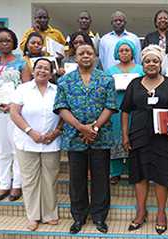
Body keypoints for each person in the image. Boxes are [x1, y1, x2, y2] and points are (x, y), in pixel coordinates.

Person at [121, 45, 168, 235]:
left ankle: (160, 213)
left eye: (155, 61)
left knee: (161, 175)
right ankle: (141, 212)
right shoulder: (134, 84)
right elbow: (125, 110)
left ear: (160, 63)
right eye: (148, 61)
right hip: (138, 136)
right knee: (139, 175)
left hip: (163, 138)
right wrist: (125, 135)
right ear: (143, 63)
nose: (151, 64)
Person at [53, 43, 117, 234]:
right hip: (75, 136)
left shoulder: (106, 78)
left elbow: (110, 105)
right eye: (82, 53)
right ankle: (78, 217)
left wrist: (94, 128)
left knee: (101, 178)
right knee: (77, 179)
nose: (86, 56)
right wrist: (81, 128)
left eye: (89, 53)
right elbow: (61, 107)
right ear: (75, 57)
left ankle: (99, 217)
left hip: (101, 136)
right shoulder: (65, 80)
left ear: (95, 56)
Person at [10, 58, 62, 231]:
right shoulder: (23, 89)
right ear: (33, 70)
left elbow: (64, 113)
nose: (42, 71)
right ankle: (33, 216)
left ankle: (49, 214)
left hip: (51, 141)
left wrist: (55, 133)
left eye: (46, 68)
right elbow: (14, 113)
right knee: (30, 180)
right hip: (27, 141)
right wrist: (30, 132)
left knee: (50, 179)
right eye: (39, 67)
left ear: (51, 72)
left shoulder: (57, 90)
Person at [0, 27, 31, 202]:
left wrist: (12, 105)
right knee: (2, 150)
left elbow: (26, 89)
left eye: (8, 40)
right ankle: (4, 184)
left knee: (17, 149)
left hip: (14, 113)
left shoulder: (22, 64)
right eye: (1, 40)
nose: (4, 43)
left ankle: (17, 185)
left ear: (14, 42)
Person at [106, 39, 144, 185]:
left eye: (127, 50)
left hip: (136, 109)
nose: (124, 53)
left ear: (132, 52)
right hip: (116, 109)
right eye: (121, 50)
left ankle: (131, 170)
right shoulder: (110, 71)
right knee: (117, 137)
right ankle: (115, 172)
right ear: (117, 53)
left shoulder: (140, 69)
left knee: (133, 137)